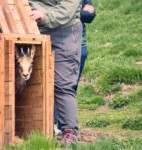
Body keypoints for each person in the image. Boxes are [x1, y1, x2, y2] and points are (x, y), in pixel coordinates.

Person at [29, 0, 82, 144]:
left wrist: (46, 16)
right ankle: (35, 132)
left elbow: (69, 7)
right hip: (32, 30)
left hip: (63, 31)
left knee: (63, 84)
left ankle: (69, 133)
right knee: (31, 82)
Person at [78, 0, 96, 82]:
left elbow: (89, 16)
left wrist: (67, 14)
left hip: (80, 44)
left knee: (72, 85)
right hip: (53, 41)